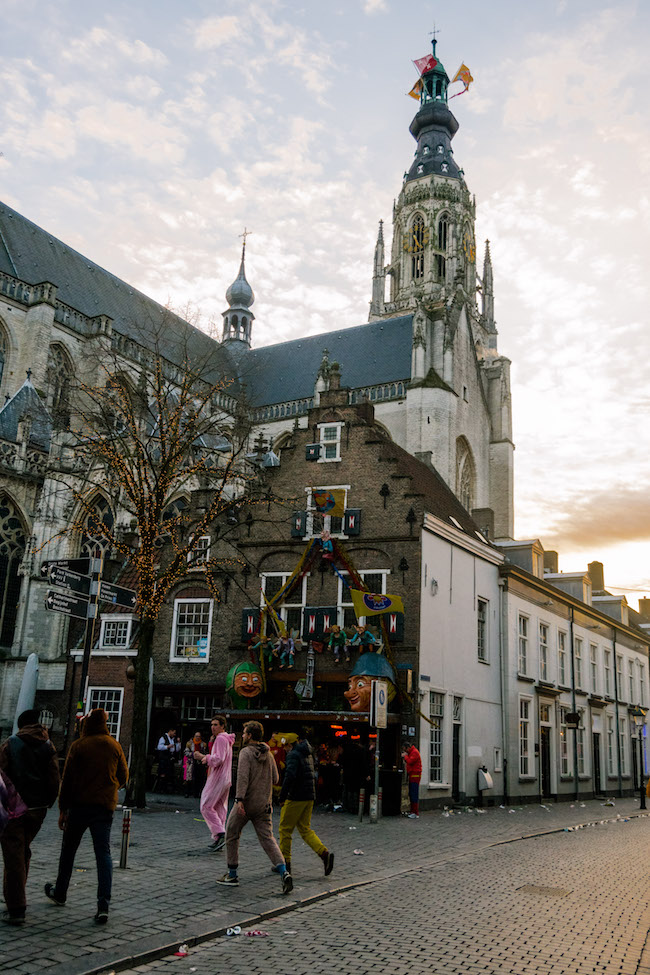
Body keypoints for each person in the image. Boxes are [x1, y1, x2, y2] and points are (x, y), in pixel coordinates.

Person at [44, 708, 128, 924]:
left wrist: (63, 808)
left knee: (69, 850)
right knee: (104, 854)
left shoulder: (79, 746)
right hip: (103, 807)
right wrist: (110, 788)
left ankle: (60, 891)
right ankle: (103, 905)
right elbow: (124, 775)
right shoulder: (113, 745)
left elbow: (68, 779)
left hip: (80, 806)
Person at [0, 708, 60, 924]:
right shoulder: (48, 745)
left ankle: (16, 908)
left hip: (15, 808)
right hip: (38, 809)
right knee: (23, 851)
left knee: (14, 855)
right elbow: (54, 778)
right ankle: (17, 895)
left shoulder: (10, 744)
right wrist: (48, 802)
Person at [217, 720, 292, 893]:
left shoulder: (245, 753)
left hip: (246, 803)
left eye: (244, 733)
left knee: (231, 833)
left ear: (250, 735)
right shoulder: (269, 754)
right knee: (268, 838)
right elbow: (275, 779)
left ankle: (232, 873)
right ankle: (284, 871)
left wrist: (239, 799)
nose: (242, 736)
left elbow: (242, 777)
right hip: (264, 805)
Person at [278, 731, 334, 877]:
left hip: (295, 797)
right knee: (305, 829)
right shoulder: (307, 753)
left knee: (285, 829)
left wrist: (282, 796)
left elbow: (289, 776)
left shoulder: (293, 755)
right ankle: (324, 853)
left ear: (290, 745)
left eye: (285, 746)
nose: (284, 749)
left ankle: (285, 864)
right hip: (309, 796)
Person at [199, 716, 235, 851]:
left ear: (222, 726)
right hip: (226, 778)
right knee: (219, 807)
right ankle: (218, 839)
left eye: (215, 724)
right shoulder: (226, 739)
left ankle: (220, 833)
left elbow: (218, 759)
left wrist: (204, 757)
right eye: (211, 724)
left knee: (206, 805)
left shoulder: (220, 738)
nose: (212, 727)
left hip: (218, 777)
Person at [402, 740, 422, 819]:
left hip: (415, 776)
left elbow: (410, 761)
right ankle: (412, 811)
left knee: (414, 793)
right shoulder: (412, 752)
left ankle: (415, 812)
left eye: (405, 749)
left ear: (408, 747)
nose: (405, 751)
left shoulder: (414, 752)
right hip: (412, 775)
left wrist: (405, 756)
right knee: (411, 793)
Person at [156, 726, 180, 793]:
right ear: (170, 731)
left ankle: (166, 788)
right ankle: (161, 788)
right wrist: (167, 746)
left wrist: (178, 743)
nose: (174, 734)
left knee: (169, 773)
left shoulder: (173, 739)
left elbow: (177, 749)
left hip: (170, 759)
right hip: (164, 759)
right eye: (174, 733)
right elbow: (159, 747)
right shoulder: (163, 738)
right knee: (163, 773)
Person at [183, 732, 207, 798]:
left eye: (199, 736)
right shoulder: (189, 744)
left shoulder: (203, 744)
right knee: (189, 778)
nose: (197, 738)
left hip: (199, 763)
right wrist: (193, 754)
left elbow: (205, 752)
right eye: (196, 736)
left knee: (199, 779)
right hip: (191, 762)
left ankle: (196, 793)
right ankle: (187, 792)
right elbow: (186, 752)